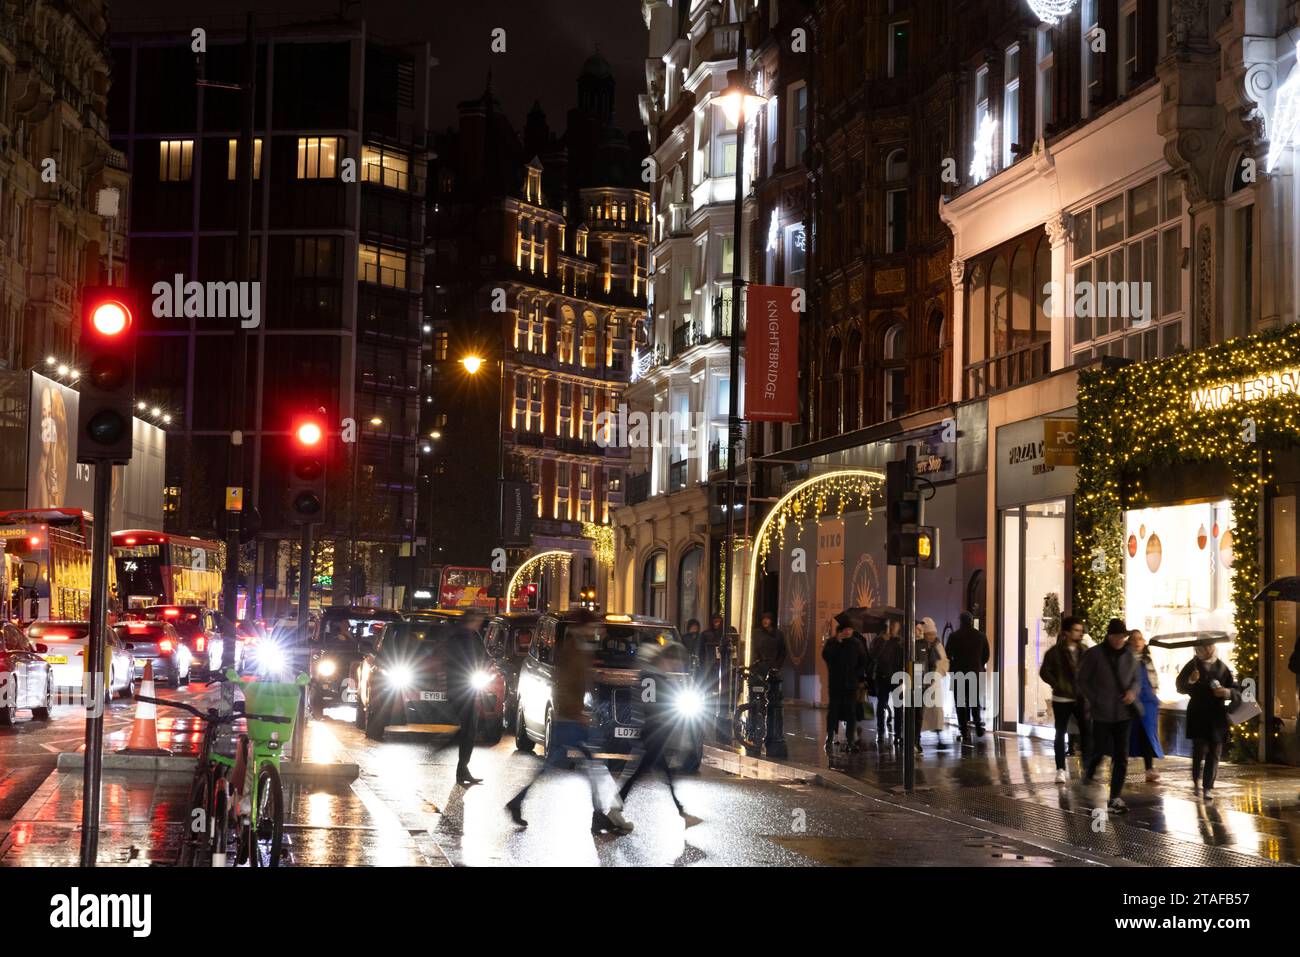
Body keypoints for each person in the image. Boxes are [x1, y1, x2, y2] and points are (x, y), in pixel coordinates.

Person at [505, 617, 632, 833]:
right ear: (583, 627)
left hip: (572, 718)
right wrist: (577, 714)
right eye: (592, 626)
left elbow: (580, 681)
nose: (596, 630)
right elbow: (564, 686)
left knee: (589, 765)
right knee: (588, 765)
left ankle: (597, 815)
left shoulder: (579, 649)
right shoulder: (572, 651)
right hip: (570, 721)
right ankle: (598, 816)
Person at [617, 641, 693, 821]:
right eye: (677, 662)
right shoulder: (657, 677)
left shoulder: (648, 674)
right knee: (641, 772)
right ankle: (616, 805)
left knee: (652, 771)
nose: (677, 666)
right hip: (655, 731)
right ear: (669, 658)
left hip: (651, 730)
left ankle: (680, 810)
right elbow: (659, 705)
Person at [1077, 618, 1141, 814]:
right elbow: (1082, 679)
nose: (1121, 640)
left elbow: (1137, 680)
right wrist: (1094, 699)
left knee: (1121, 756)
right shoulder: (1094, 654)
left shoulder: (1129, 656)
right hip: (1102, 712)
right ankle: (1090, 770)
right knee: (1099, 749)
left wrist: (1132, 692)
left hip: (1123, 714)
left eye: (1123, 636)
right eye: (1117, 636)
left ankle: (1115, 797)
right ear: (1109, 636)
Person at [1176, 640, 1239, 801]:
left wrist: (1226, 692)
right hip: (1198, 713)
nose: (1207, 650)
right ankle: (1196, 781)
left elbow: (1235, 689)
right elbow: (1180, 687)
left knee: (1215, 751)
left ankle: (1208, 787)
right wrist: (1190, 680)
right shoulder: (1192, 665)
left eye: (1209, 646)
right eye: (1203, 647)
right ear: (1197, 649)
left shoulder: (1222, 667)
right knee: (1199, 750)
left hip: (1217, 715)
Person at [1040, 615, 1090, 783]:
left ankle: (1087, 766)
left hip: (1080, 697)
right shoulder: (1055, 652)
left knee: (1086, 732)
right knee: (1060, 733)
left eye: (1081, 631)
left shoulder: (1084, 651)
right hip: (1061, 698)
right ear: (1067, 632)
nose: (1079, 634)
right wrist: (1058, 684)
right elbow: (1044, 672)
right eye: (1076, 630)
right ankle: (1060, 769)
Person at [443, 612, 487, 785]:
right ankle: (461, 768)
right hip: (461, 687)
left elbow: (483, 657)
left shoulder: (473, 636)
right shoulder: (459, 638)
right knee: (468, 729)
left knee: (469, 729)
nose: (479, 624)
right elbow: (456, 662)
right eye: (477, 621)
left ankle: (463, 769)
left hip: (469, 686)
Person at [823, 616, 868, 753]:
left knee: (851, 713)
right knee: (833, 712)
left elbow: (864, 660)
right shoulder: (833, 642)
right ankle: (830, 736)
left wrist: (857, 675)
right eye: (846, 629)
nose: (848, 632)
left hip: (851, 684)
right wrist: (837, 642)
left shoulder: (856, 643)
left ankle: (850, 741)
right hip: (836, 683)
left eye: (850, 629)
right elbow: (826, 656)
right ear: (840, 630)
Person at [946, 611, 989, 740]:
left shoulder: (954, 636)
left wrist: (954, 664)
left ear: (961, 621)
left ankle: (963, 730)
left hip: (959, 672)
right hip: (975, 673)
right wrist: (979, 665)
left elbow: (948, 653)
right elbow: (986, 655)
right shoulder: (981, 636)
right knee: (974, 700)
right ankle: (977, 724)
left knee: (960, 702)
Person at [1127, 629, 1164, 783]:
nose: (1137, 642)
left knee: (1148, 734)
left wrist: (1155, 695)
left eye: (1140, 639)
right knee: (1127, 734)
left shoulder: (1147, 660)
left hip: (1148, 702)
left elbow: (1153, 679)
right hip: (1130, 701)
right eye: (1134, 639)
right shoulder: (1125, 659)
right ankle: (1120, 764)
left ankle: (1149, 767)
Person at [917, 618, 949, 752]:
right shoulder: (920, 645)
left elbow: (944, 662)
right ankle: (916, 738)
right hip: (921, 684)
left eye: (933, 634)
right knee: (920, 713)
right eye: (929, 634)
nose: (932, 637)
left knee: (936, 712)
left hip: (934, 683)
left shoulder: (937, 645)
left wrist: (938, 673)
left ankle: (939, 737)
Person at [873, 620, 904, 744]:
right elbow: (874, 656)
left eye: (895, 625)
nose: (893, 627)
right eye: (891, 625)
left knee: (898, 706)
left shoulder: (900, 642)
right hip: (883, 676)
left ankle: (898, 733)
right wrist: (883, 642)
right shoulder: (879, 640)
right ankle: (880, 732)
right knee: (881, 705)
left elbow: (903, 658)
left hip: (897, 677)